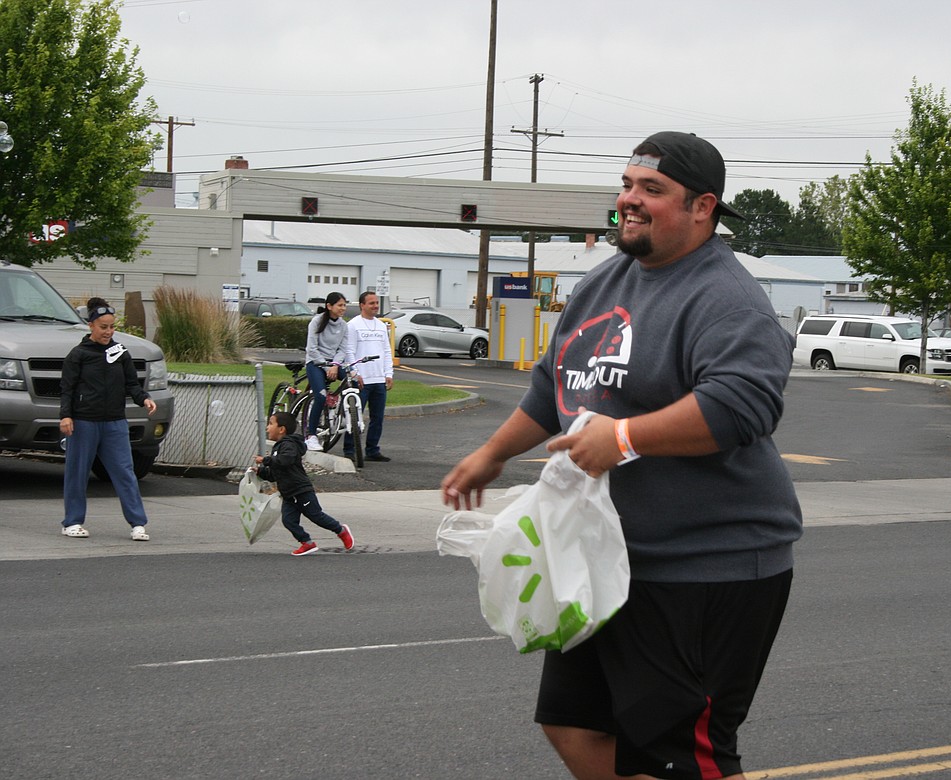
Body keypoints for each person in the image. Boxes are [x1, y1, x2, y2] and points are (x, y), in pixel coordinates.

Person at [441, 131, 802, 780]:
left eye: (651, 190)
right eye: (627, 185)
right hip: (608, 559)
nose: (629, 201)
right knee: (575, 725)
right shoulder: (604, 281)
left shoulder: (724, 296)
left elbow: (743, 406)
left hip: (709, 567)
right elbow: (556, 388)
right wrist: (491, 454)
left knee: (679, 758)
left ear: (703, 207)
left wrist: (625, 438)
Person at [58, 297, 158, 541]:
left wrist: (143, 398)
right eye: (103, 327)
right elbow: (67, 388)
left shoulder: (120, 352)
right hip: (84, 422)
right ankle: (72, 522)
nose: (108, 332)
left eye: (112, 327)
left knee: (125, 472)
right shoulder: (78, 354)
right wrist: (66, 416)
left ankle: (137, 523)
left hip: (114, 422)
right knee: (77, 471)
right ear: (91, 325)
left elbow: (131, 384)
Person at [254, 410, 355, 556]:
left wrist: (265, 460)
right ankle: (307, 543)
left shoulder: (289, 445)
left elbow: (285, 461)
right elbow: (276, 472)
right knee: (289, 521)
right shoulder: (278, 448)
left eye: (270, 424)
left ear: (281, 429)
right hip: (289, 494)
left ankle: (341, 530)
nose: (267, 427)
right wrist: (260, 472)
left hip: (301, 491)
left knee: (316, 516)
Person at [344, 291, 394, 462]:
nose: (375, 306)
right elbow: (349, 351)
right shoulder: (353, 325)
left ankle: (372, 450)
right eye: (371, 303)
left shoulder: (381, 326)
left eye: (376, 303)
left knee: (377, 418)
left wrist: (389, 373)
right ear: (362, 305)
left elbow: (386, 351)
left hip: (379, 379)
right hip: (361, 380)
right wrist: (354, 373)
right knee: (354, 416)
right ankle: (350, 449)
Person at [304, 292, 349, 451]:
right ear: (329, 306)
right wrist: (326, 367)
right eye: (340, 305)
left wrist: (336, 365)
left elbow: (343, 349)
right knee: (321, 396)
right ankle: (311, 436)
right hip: (315, 363)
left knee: (353, 382)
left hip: (334, 364)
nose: (343, 308)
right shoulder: (316, 322)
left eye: (344, 305)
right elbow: (312, 349)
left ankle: (346, 415)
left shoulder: (344, 325)